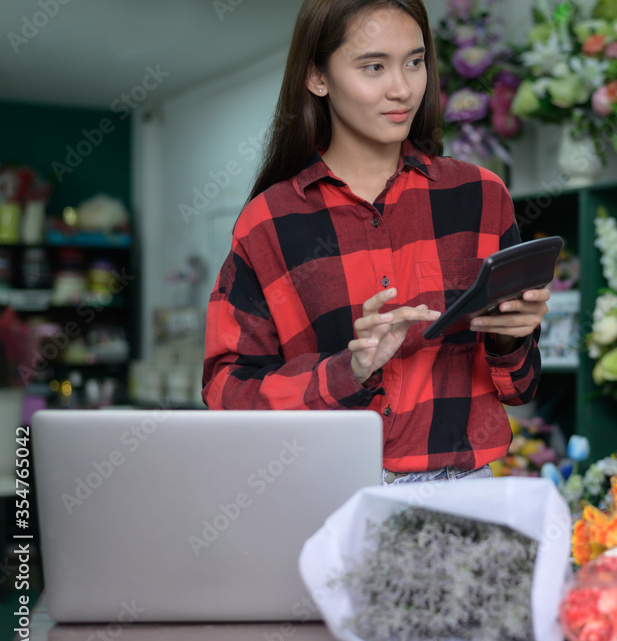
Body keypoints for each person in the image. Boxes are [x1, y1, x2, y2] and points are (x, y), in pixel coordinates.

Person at [202, 0, 550, 485]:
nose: (402, 88)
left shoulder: (481, 196)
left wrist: (511, 336)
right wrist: (351, 367)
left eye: (414, 61)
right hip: (327, 488)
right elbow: (226, 392)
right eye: (373, 67)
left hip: (465, 489)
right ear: (317, 78)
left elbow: (520, 387)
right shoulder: (268, 223)